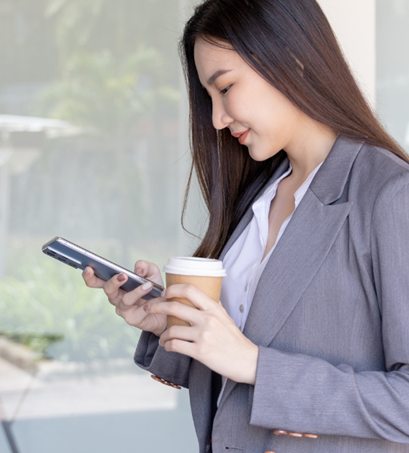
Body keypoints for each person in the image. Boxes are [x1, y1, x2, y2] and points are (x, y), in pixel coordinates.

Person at [83, 0, 409, 451]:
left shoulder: (391, 196)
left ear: (291, 59)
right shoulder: (258, 195)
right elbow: (232, 373)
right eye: (209, 97)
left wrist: (256, 365)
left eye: (226, 88)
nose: (217, 118)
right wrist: (170, 323)